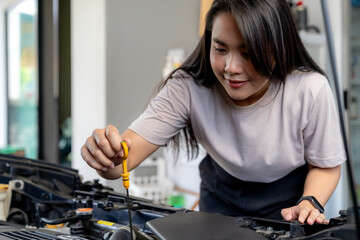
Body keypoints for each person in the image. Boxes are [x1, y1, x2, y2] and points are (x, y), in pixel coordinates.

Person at [81, 0, 345, 225]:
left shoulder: (309, 88)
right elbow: (122, 161)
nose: (231, 67)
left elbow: (326, 166)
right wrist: (105, 154)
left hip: (289, 205)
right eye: (220, 49)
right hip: (219, 199)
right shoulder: (187, 87)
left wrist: (310, 201)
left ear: (279, 46)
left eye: (248, 52)